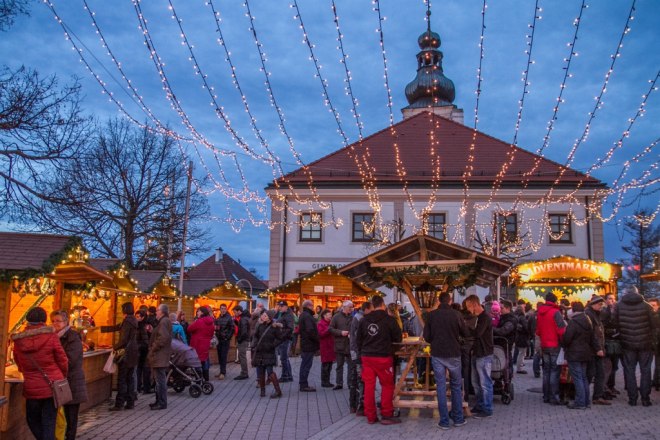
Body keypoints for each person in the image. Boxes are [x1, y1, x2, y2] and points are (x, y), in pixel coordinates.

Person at [11, 307, 68, 440]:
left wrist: (25, 372)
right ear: (44, 320)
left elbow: (18, 361)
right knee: (49, 420)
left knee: (32, 419)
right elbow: (63, 360)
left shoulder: (19, 341)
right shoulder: (51, 336)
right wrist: (61, 376)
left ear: (28, 320)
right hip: (52, 385)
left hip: (31, 385)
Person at [424, 292, 468, 430]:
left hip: (437, 353)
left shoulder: (432, 315)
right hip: (454, 353)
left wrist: (435, 341)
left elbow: (426, 337)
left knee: (441, 387)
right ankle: (458, 418)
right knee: (456, 386)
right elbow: (465, 333)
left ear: (439, 301)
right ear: (450, 301)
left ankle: (444, 421)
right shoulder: (457, 315)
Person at [357, 295, 402, 426]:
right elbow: (398, 338)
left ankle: (371, 416)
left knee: (369, 386)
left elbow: (358, 340)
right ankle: (387, 414)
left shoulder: (364, 320)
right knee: (387, 385)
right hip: (383, 356)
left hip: (367, 357)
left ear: (372, 305)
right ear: (383, 305)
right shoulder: (390, 320)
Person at [615, 286, 656, 406]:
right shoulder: (646, 306)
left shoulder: (619, 306)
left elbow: (615, 323)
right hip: (645, 343)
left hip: (627, 344)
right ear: (637, 293)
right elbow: (654, 324)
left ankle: (632, 399)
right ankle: (645, 399)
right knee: (646, 370)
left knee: (629, 370)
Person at [50, 310, 87, 440]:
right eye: (53, 321)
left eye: (58, 321)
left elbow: (71, 360)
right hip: (58, 382)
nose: (55, 324)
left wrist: (52, 364)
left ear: (66, 322)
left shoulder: (72, 337)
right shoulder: (52, 337)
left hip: (71, 382)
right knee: (59, 417)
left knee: (70, 416)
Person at [562, 302, 601, 410]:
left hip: (574, 354)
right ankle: (586, 401)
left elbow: (567, 338)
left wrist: (563, 344)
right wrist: (598, 349)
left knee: (577, 378)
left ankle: (580, 402)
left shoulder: (573, 322)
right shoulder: (588, 320)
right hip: (586, 353)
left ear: (573, 311)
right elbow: (593, 337)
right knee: (584, 378)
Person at [464, 295, 494, 418]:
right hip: (477, 353)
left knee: (485, 383)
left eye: (468, 307)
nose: (468, 310)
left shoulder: (484, 318)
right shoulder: (478, 318)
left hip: (484, 353)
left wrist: (464, 328)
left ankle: (487, 408)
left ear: (474, 304)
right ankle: (480, 405)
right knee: (476, 382)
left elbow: (477, 333)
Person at [536, 292, 567, 405]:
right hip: (554, 345)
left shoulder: (540, 312)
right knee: (554, 371)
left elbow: (538, 330)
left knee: (546, 371)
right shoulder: (556, 312)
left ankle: (546, 396)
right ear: (555, 301)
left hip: (544, 344)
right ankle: (554, 397)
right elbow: (561, 330)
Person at [110, 302, 139, 411]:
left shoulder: (127, 322)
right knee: (129, 379)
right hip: (133, 353)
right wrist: (102, 328)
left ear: (125, 311)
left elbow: (123, 340)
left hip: (126, 354)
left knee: (122, 379)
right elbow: (118, 328)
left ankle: (119, 404)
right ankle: (130, 402)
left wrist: (114, 347)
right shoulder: (133, 321)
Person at [252, 310, 285, 398]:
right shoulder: (260, 326)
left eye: (265, 316)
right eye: (263, 315)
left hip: (269, 352)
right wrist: (254, 344)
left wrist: (272, 345)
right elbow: (255, 336)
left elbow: (280, 338)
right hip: (260, 351)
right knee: (261, 371)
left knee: (270, 372)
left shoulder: (274, 327)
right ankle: (262, 391)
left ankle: (278, 391)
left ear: (270, 318)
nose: (263, 317)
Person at [585, 296, 610, 405]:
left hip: (597, 348)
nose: (601, 307)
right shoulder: (589, 315)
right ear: (593, 304)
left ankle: (597, 396)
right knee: (591, 373)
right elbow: (592, 335)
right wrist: (598, 348)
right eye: (600, 305)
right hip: (593, 350)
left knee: (600, 373)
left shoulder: (595, 314)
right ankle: (586, 396)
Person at [148, 304, 172, 410]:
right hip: (160, 355)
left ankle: (161, 402)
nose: (156, 312)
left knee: (160, 380)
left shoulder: (164, 321)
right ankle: (159, 400)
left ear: (162, 312)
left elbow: (163, 338)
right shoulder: (163, 321)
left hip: (160, 355)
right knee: (158, 379)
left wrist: (153, 347)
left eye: (157, 310)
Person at [349, 301, 372, 414]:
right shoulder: (360, 319)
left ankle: (356, 405)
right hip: (358, 352)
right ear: (367, 309)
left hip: (357, 351)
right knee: (358, 379)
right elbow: (358, 338)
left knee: (358, 378)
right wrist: (358, 353)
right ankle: (357, 405)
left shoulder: (359, 317)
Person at [329, 300, 354, 391]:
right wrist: (340, 332)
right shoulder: (336, 317)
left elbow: (355, 329)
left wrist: (352, 334)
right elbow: (330, 329)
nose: (351, 309)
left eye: (352, 307)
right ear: (344, 307)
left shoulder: (352, 318)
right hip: (339, 345)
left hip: (349, 345)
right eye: (350, 307)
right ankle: (339, 383)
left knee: (351, 366)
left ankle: (350, 383)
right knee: (339, 365)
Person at [601, 293, 621, 397]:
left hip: (616, 343)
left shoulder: (617, 311)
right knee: (607, 367)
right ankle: (605, 389)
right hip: (607, 343)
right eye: (609, 299)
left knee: (614, 366)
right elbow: (601, 327)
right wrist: (611, 331)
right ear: (605, 300)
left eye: (613, 299)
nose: (612, 301)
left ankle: (611, 386)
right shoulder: (603, 311)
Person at [188, 306, 215, 382]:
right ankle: (206, 380)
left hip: (197, 344)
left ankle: (198, 380)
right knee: (204, 361)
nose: (197, 313)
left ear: (202, 312)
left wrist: (195, 322)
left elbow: (189, 329)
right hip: (205, 344)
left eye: (198, 311)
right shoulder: (211, 322)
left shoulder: (199, 321)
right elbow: (212, 333)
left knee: (197, 362)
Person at [298, 299, 320, 392]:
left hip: (305, 343)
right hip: (308, 343)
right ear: (309, 306)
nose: (313, 307)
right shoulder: (307, 316)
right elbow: (310, 330)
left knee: (304, 364)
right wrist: (317, 339)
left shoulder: (304, 315)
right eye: (312, 305)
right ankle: (303, 384)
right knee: (306, 364)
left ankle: (303, 383)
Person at [274, 300, 295, 382]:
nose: (280, 307)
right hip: (283, 338)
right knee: (285, 358)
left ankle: (285, 376)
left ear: (286, 306)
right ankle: (289, 376)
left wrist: (281, 330)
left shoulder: (288, 315)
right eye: (279, 306)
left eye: (281, 306)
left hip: (285, 339)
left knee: (283, 358)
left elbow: (290, 328)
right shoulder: (283, 314)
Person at [214, 304, 235, 380]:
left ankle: (223, 372)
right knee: (220, 356)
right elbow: (217, 328)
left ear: (226, 309)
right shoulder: (218, 318)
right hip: (219, 340)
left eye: (224, 309)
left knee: (223, 356)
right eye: (222, 308)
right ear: (220, 309)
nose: (223, 310)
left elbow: (232, 329)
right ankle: (221, 371)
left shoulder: (229, 318)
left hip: (225, 340)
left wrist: (227, 337)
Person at [135, 309, 152, 394]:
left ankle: (142, 387)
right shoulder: (141, 325)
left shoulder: (143, 326)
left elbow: (145, 340)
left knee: (143, 369)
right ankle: (142, 387)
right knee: (141, 369)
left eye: (138, 316)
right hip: (141, 350)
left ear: (143, 317)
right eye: (136, 316)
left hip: (143, 350)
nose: (136, 318)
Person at [318, 309, 336, 388]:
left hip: (331, 346)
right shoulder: (321, 323)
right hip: (325, 346)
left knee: (330, 365)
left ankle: (327, 381)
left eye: (330, 315)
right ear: (324, 316)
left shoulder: (330, 323)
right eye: (329, 315)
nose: (330, 316)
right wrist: (328, 329)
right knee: (325, 365)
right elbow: (321, 334)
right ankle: (324, 382)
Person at [233, 305, 251, 380]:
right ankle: (244, 372)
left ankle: (244, 373)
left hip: (243, 340)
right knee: (242, 356)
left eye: (235, 312)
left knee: (242, 356)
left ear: (238, 311)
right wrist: (237, 323)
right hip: (245, 339)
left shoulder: (243, 319)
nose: (234, 314)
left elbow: (243, 331)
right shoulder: (245, 317)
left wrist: (239, 339)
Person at [513, 300, 529, 374]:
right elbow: (526, 328)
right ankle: (519, 368)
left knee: (520, 352)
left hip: (517, 336)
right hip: (522, 337)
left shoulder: (515, 316)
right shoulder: (522, 317)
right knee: (522, 353)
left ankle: (518, 366)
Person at [648, 298, 660, 391]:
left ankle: (657, 382)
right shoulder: (646, 316)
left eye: (653, 305)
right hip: (648, 344)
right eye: (650, 305)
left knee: (658, 364)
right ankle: (655, 381)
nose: (651, 307)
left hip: (657, 344)